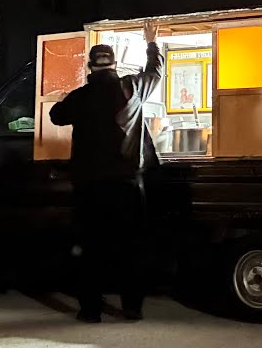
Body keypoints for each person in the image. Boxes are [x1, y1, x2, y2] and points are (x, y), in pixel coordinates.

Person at [49, 21, 164, 323]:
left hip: (89, 187)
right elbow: (154, 72)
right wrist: (151, 43)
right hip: (127, 185)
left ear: (90, 67)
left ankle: (90, 311)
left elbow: (55, 116)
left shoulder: (81, 97)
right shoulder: (132, 87)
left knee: (90, 249)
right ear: (114, 64)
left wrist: (64, 97)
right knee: (131, 248)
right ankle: (132, 308)